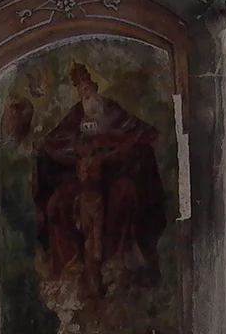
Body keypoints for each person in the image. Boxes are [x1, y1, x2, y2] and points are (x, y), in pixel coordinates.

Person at [32, 62, 167, 296]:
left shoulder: (110, 109)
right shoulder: (76, 113)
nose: (86, 90)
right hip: (81, 178)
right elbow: (57, 139)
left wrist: (124, 145)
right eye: (81, 87)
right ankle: (68, 267)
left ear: (95, 85)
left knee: (127, 195)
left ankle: (121, 260)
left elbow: (137, 131)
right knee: (57, 205)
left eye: (88, 85)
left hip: (114, 173)